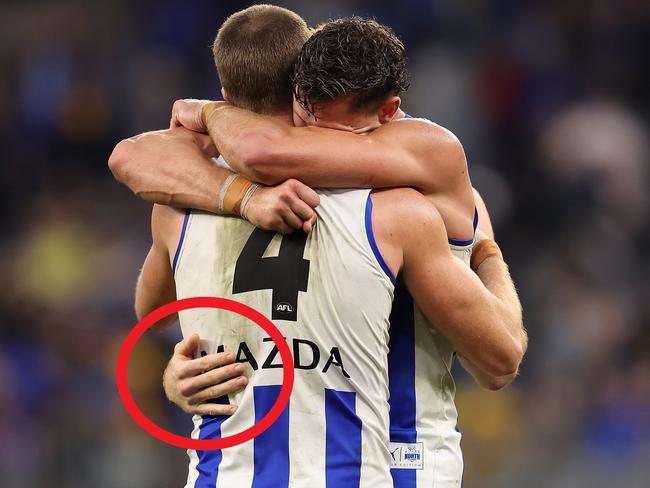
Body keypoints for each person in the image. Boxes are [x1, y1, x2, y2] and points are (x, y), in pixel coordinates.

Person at [112, 6, 526, 487]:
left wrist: (209, 119)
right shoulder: (394, 206)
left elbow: (141, 158)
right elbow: (134, 162)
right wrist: (176, 374)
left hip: (396, 457)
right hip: (367, 461)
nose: (321, 135)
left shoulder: (415, 161)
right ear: (299, 84)